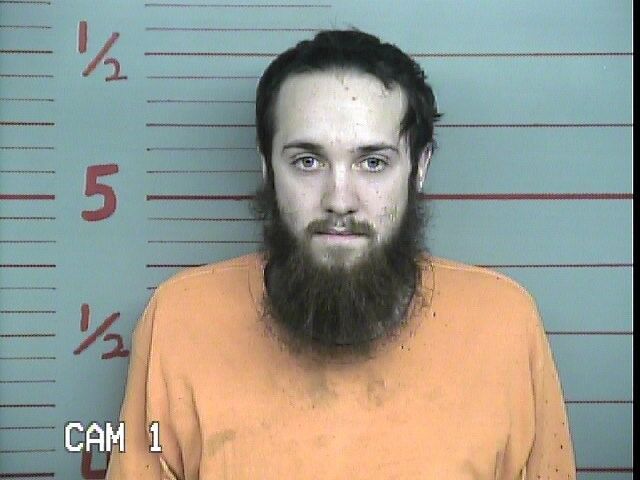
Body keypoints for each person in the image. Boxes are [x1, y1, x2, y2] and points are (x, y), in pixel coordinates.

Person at [105, 29, 576, 479]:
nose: (339, 200)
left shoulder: (505, 324)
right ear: (267, 168)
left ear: (419, 168)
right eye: (307, 161)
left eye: (373, 162)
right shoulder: (179, 320)